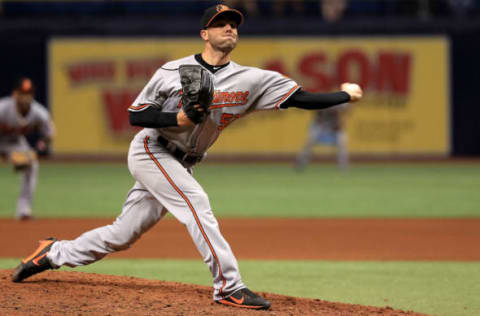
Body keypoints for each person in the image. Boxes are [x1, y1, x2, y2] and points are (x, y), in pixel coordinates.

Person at [11, 4, 362, 310]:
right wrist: (175, 118)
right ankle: (229, 287)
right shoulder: (171, 71)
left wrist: (343, 96)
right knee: (197, 203)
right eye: (221, 23)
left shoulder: (252, 80)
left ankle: (53, 252)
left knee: (123, 234)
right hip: (152, 149)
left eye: (234, 24)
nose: (229, 27)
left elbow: (300, 98)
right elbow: (137, 115)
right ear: (204, 34)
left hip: (182, 162)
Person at [0, 77, 54, 220]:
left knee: (32, 164)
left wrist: (36, 150)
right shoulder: (3, 108)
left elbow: (49, 135)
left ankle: (23, 210)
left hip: (15, 143)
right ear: (15, 94)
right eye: (23, 93)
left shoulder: (39, 113)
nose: (26, 97)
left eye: (29, 94)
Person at [295, 104, 350, 171]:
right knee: (310, 141)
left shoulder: (338, 101)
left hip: (333, 126)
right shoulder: (322, 99)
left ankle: (343, 166)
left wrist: (339, 117)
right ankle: (301, 163)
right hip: (320, 125)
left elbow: (347, 109)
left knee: (341, 142)